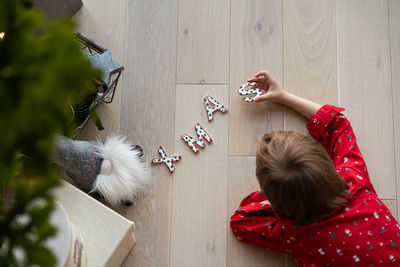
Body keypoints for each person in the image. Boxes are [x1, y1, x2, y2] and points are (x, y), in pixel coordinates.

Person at [230, 71, 400, 266]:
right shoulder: (355, 178)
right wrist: (284, 96)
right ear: (327, 164)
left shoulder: (292, 233)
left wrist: (272, 200)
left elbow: (240, 221)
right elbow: (337, 123)